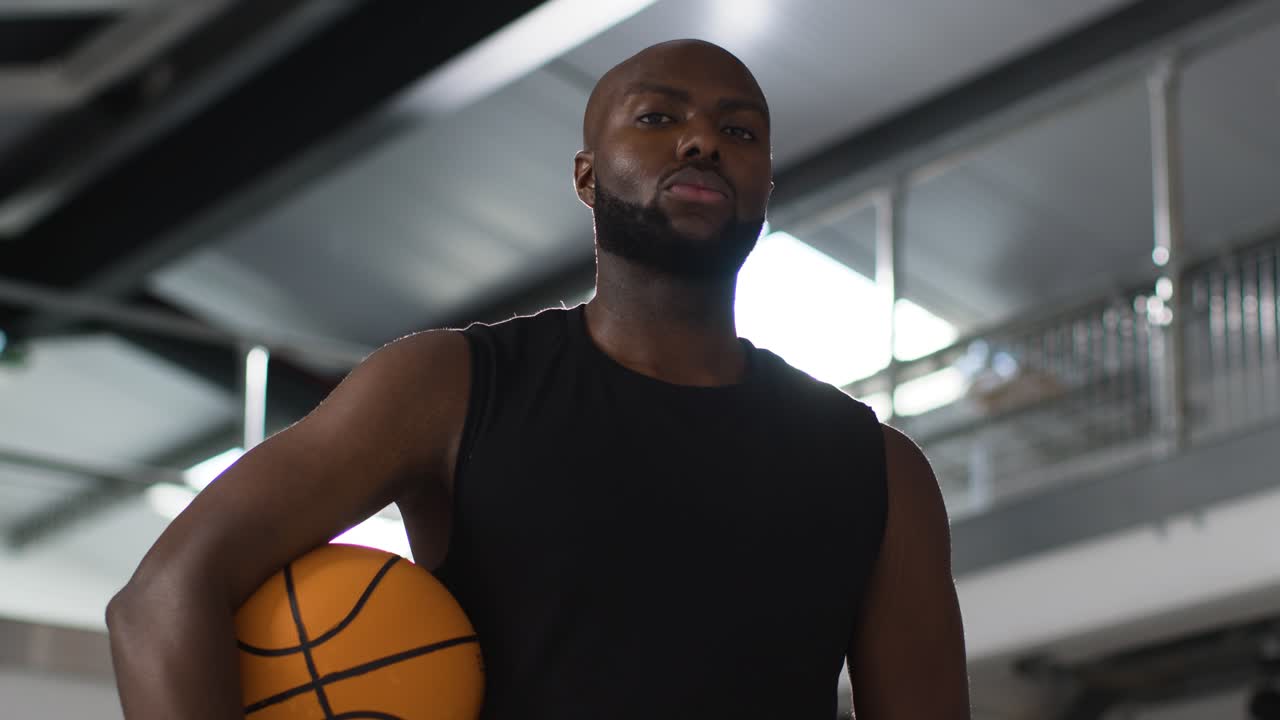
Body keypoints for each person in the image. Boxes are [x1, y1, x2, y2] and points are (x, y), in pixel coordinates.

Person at [106, 39, 970, 719]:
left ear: (765, 187)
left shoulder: (878, 470)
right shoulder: (446, 387)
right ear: (587, 179)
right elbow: (162, 599)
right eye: (658, 118)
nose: (704, 140)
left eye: (740, 132)